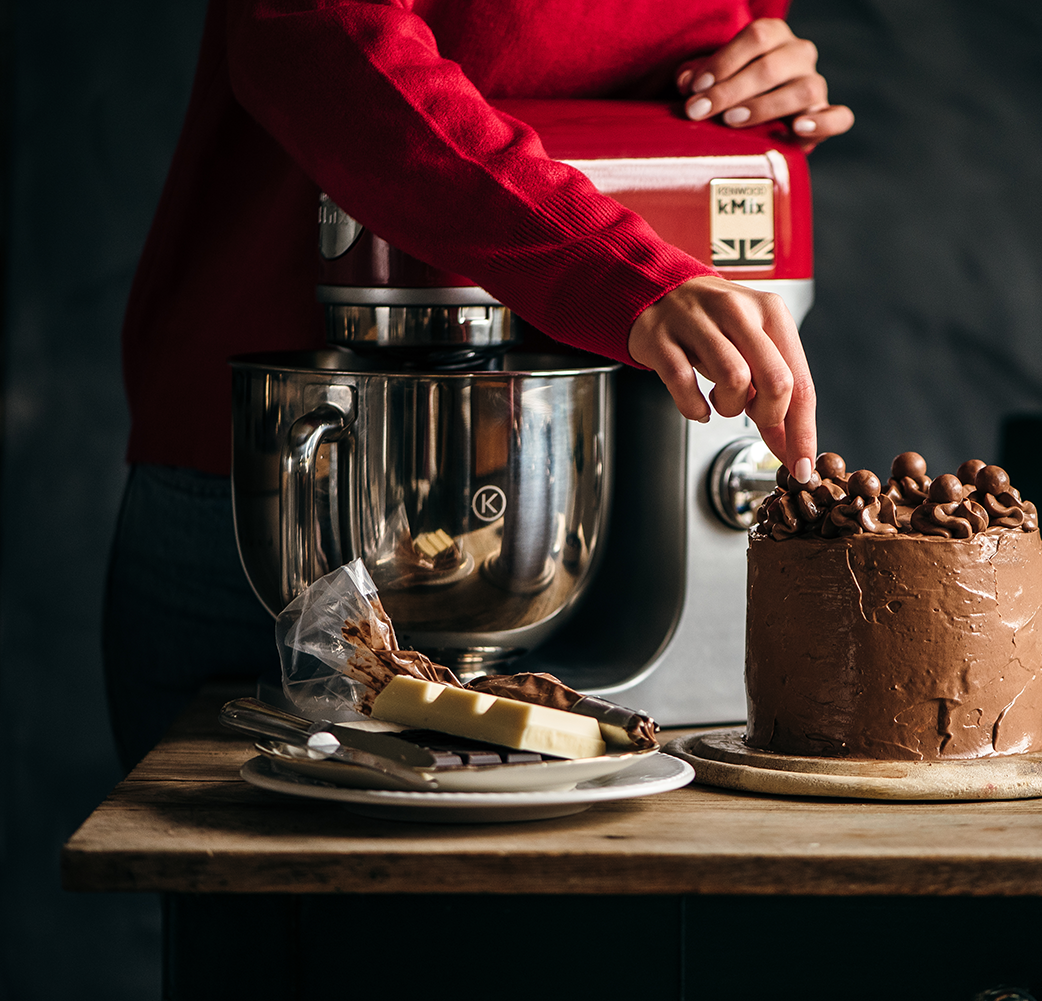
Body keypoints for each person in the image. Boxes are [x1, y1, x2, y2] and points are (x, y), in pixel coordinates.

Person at [103, 0, 852, 769]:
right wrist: (607, 268)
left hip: (621, 485)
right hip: (281, 491)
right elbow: (311, 35)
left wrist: (753, 83)